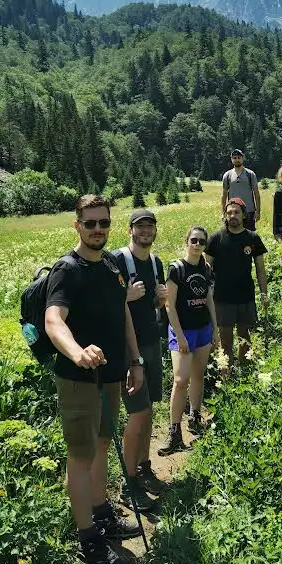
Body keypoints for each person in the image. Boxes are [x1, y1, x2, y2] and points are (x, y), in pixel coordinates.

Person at [45, 194, 145, 564]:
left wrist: (134, 360)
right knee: (81, 455)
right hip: (79, 379)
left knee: (104, 442)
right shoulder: (67, 271)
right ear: (77, 226)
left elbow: (122, 311)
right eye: (90, 224)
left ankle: (102, 511)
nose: (98, 229)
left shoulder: (110, 265)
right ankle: (88, 537)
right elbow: (54, 319)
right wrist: (76, 352)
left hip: (112, 374)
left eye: (104, 223)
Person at [112, 209, 169, 513]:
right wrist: (127, 297)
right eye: (140, 226)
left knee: (148, 412)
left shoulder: (156, 263)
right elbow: (104, 301)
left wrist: (159, 299)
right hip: (126, 349)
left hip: (150, 342)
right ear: (130, 230)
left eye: (150, 226)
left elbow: (154, 305)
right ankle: (127, 482)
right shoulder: (117, 260)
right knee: (138, 413)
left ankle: (143, 467)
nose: (146, 230)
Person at [159, 226, 219, 455]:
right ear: (186, 241)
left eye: (201, 242)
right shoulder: (176, 269)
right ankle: (174, 431)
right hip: (182, 331)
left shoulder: (206, 269)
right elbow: (169, 306)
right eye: (193, 240)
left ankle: (195, 416)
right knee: (180, 380)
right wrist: (181, 336)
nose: (197, 245)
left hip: (203, 329)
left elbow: (209, 301)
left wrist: (215, 330)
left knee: (198, 375)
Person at [205, 198, 268, 365]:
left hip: (246, 297)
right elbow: (206, 271)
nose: (232, 215)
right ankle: (227, 377)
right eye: (229, 212)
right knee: (225, 342)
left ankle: (244, 376)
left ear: (244, 215)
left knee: (245, 340)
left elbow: (260, 270)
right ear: (225, 215)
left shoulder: (253, 238)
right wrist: (206, 297)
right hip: (222, 298)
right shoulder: (215, 239)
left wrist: (264, 294)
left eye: (236, 212)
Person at [221, 149, 261, 231]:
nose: (237, 160)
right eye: (234, 158)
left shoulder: (250, 174)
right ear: (231, 159)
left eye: (239, 157)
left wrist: (258, 211)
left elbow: (256, 194)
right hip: (233, 212)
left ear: (242, 158)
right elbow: (224, 195)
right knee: (233, 235)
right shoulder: (227, 175)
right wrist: (223, 212)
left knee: (249, 237)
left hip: (249, 211)